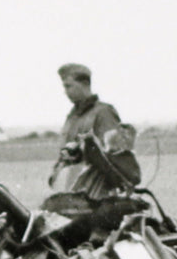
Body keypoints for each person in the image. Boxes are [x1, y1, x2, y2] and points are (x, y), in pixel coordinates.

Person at [49, 63, 140, 198]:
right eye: (64, 87)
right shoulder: (72, 117)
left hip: (97, 196)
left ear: (85, 84)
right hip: (71, 194)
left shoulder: (103, 113)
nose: (66, 92)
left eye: (69, 86)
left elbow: (115, 160)